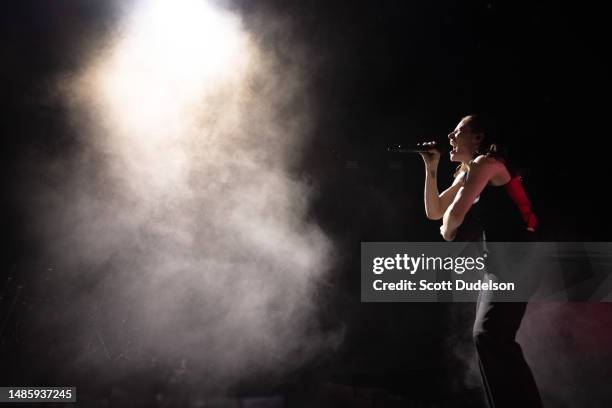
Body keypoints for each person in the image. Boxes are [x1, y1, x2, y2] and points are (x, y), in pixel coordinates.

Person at [420, 114, 542, 407]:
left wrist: (448, 227)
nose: (450, 136)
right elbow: (436, 212)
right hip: (498, 265)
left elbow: (452, 221)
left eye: (458, 131)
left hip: (517, 261)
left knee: (489, 335)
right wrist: (431, 167)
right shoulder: (468, 172)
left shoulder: (486, 165)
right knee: (489, 338)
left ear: (478, 138)